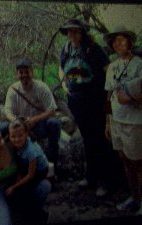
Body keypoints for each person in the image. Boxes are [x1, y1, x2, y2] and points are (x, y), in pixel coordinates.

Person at [59, 19, 111, 196]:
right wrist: (65, 84)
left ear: (82, 32)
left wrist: (109, 93)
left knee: (100, 138)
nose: (72, 35)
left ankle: (104, 181)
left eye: (75, 31)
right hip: (76, 100)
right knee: (87, 138)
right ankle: (91, 177)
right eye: (69, 32)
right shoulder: (66, 49)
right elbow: (61, 69)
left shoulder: (94, 48)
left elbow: (108, 69)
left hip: (95, 99)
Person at [104, 27, 142, 215]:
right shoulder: (112, 66)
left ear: (129, 42)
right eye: (115, 41)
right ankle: (134, 197)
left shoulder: (139, 64)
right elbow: (109, 94)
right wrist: (107, 122)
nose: (118, 44)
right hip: (116, 120)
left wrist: (132, 98)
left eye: (122, 40)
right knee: (125, 161)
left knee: (138, 163)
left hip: (134, 122)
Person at [2, 58, 61, 171]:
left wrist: (34, 120)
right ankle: (7, 165)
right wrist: (18, 123)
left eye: (27, 72)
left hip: (38, 125)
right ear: (17, 74)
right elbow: (7, 111)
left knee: (54, 123)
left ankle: (53, 163)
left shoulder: (41, 87)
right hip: (19, 126)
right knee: (2, 128)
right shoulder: (13, 89)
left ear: (32, 72)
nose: (24, 75)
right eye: (21, 72)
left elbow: (52, 110)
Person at [6, 118, 51, 223]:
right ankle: (22, 214)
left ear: (26, 134)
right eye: (13, 136)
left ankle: (40, 215)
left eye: (20, 136)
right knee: (17, 191)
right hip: (26, 166)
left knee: (26, 192)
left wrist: (14, 187)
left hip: (39, 171)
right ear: (9, 135)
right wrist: (18, 174)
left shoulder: (31, 151)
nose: (16, 139)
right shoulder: (14, 144)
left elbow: (31, 175)